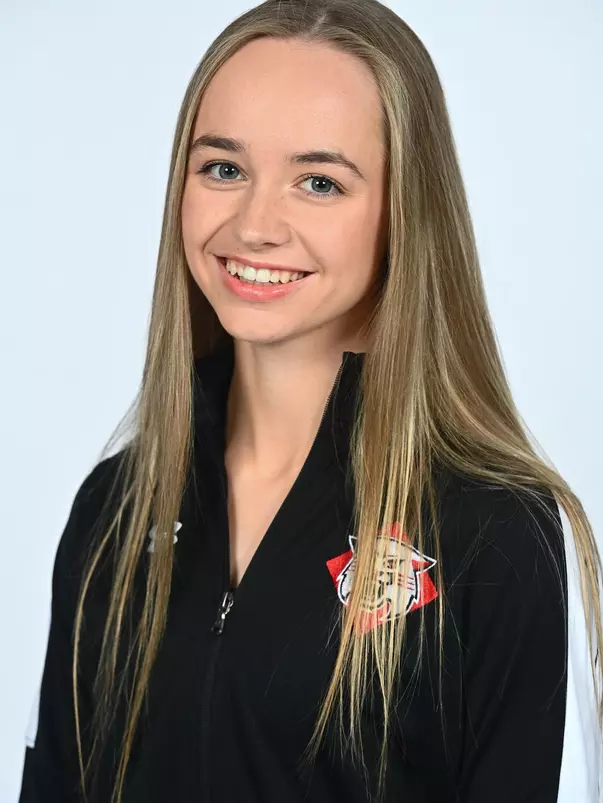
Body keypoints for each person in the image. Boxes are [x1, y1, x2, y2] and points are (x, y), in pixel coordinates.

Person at [18, 0, 603, 801]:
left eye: (319, 182)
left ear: (404, 214)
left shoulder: (496, 531)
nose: (255, 224)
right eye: (222, 167)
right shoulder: (114, 511)